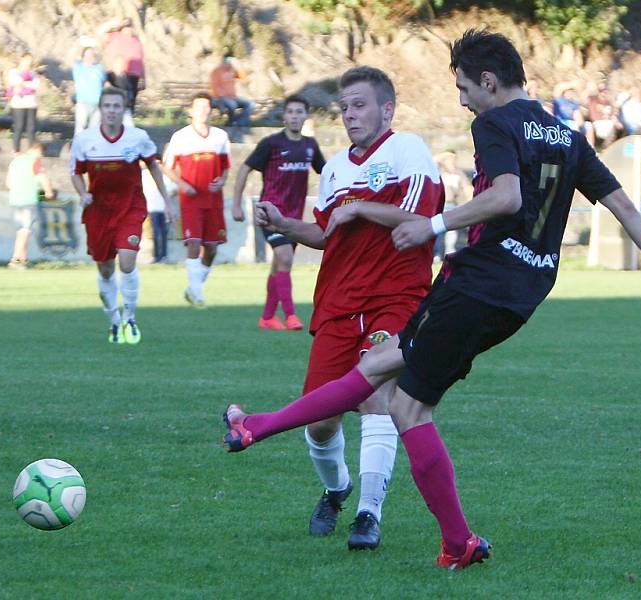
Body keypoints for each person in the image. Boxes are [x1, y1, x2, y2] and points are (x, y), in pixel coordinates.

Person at [222, 29, 641, 570]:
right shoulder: (567, 135)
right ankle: (255, 426)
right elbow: (625, 207)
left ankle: (458, 542)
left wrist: (433, 224)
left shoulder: (494, 123)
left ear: (489, 82)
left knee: (407, 406)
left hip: (477, 282)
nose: (463, 99)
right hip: (524, 291)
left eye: (465, 87)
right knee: (379, 366)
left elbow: (506, 196)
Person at [249, 66, 444, 551]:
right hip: (338, 302)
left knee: (377, 397)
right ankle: (338, 490)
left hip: (396, 297)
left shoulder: (408, 151)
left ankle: (367, 515)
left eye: (359, 105)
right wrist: (285, 224)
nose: (350, 114)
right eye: (344, 107)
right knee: (320, 423)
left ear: (387, 109)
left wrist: (360, 208)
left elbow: (422, 220)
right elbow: (323, 231)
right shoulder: (335, 167)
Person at [70, 87, 173, 344]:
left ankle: (130, 317)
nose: (112, 111)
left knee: (127, 262)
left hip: (130, 208)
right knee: (105, 269)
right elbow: (75, 171)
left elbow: (153, 165)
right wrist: (83, 193)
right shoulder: (84, 140)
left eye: (117, 106)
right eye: (108, 106)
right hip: (98, 213)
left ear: (123, 110)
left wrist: (167, 200)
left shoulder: (138, 138)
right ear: (101, 110)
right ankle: (113, 320)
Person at [231, 94, 326, 330]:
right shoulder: (271, 144)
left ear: (306, 116)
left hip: (292, 218)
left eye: (299, 112)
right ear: (284, 116)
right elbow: (244, 169)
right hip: (269, 214)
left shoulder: (309, 146)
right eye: (290, 112)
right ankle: (291, 315)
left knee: (279, 265)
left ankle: (267, 317)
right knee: (285, 257)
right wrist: (236, 204)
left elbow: (327, 173)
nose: (294, 116)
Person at [162, 93, 231, 307]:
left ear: (211, 110)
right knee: (193, 244)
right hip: (191, 200)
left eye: (206, 107)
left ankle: (194, 287)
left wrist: (221, 181)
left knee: (211, 248)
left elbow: (226, 167)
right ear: (190, 111)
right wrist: (182, 184)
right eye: (198, 107)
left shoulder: (220, 137)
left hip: (214, 200)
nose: (202, 110)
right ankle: (198, 296)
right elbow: (166, 166)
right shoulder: (180, 137)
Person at [6, 141, 54, 268]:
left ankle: (23, 260)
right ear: (38, 150)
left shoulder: (15, 161)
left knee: (21, 230)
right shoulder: (34, 161)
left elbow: (8, 183)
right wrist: (48, 192)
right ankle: (15, 259)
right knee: (25, 230)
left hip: (14, 199)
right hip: (28, 199)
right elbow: (42, 178)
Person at [98, 18, 145, 116]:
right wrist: (114, 23)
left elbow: (141, 59)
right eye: (126, 26)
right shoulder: (115, 36)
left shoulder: (136, 40)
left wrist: (144, 78)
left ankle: (127, 121)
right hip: (117, 73)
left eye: (130, 26)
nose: (129, 28)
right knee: (116, 100)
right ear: (121, 27)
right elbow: (99, 31)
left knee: (130, 101)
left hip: (134, 74)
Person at [7, 53, 41, 153]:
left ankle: (32, 151)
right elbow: (15, 83)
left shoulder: (33, 73)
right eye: (26, 60)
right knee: (19, 126)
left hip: (31, 104)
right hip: (18, 104)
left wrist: (24, 85)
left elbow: (36, 85)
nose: (28, 63)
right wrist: (25, 84)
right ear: (21, 60)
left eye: (30, 61)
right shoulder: (13, 72)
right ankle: (16, 150)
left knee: (31, 129)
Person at [141, 159, 173, 264]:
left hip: (163, 209)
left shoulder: (165, 176)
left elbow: (173, 189)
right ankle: (156, 256)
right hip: (152, 208)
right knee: (155, 232)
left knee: (163, 232)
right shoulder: (145, 175)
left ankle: (163, 255)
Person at [209, 54, 254, 127]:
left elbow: (245, 80)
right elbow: (215, 87)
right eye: (228, 61)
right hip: (218, 98)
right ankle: (230, 123)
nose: (229, 64)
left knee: (250, 104)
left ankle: (239, 124)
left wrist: (239, 67)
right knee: (232, 104)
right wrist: (226, 97)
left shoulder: (232, 71)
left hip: (232, 97)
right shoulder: (217, 71)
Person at [72, 46, 107, 135]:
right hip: (82, 102)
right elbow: (74, 54)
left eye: (91, 55)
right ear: (83, 56)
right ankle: (78, 148)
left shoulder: (99, 68)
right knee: (80, 129)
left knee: (94, 131)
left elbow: (105, 83)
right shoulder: (78, 67)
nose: (89, 57)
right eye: (87, 55)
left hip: (97, 103)